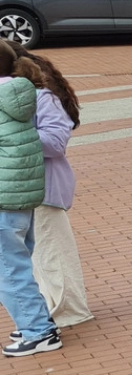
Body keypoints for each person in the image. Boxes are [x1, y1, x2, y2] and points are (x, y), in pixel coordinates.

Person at [17, 46, 91, 330]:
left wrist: (15, 135)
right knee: (39, 254)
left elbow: (55, 143)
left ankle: (67, 310)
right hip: (25, 187)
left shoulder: (42, 98)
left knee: (53, 252)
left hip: (44, 187)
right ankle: (55, 306)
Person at [0, 43, 55, 357]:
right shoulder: (18, 95)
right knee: (19, 264)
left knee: (9, 270)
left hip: (3, 198)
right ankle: (34, 321)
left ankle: (39, 332)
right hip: (21, 195)